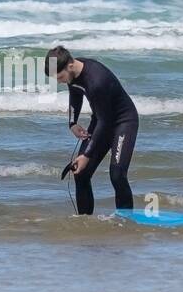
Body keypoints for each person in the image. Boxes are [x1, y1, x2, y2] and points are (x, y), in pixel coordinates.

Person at [45, 45, 138, 214]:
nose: (59, 81)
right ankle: (84, 222)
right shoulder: (73, 73)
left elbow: (106, 122)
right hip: (102, 119)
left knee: (117, 175)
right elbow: (76, 93)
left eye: (60, 77)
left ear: (70, 66)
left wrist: (87, 155)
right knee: (80, 173)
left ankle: (126, 222)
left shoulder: (97, 81)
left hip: (123, 122)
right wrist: (72, 123)